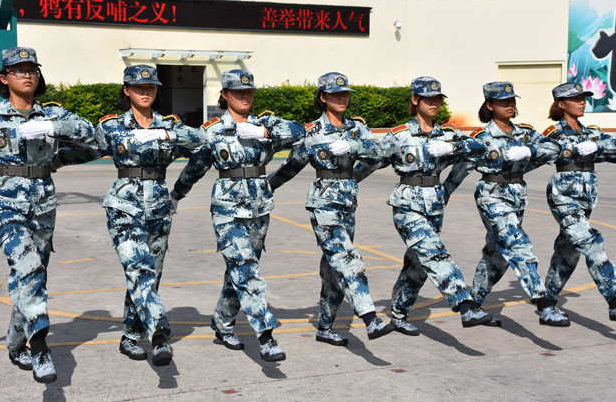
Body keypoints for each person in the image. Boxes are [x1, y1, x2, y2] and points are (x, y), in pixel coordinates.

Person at [0, 47, 95, 383]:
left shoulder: (53, 113)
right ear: (4, 78)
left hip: (43, 203)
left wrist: (52, 127)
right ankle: (40, 347)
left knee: (33, 276)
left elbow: (90, 133)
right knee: (27, 266)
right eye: (19, 70)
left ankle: (15, 343)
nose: (27, 75)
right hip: (5, 202)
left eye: (32, 69)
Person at [171, 69, 305, 362]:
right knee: (245, 267)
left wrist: (264, 133)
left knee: (241, 270)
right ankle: (266, 336)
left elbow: (299, 131)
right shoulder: (213, 130)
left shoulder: (265, 123)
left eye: (249, 92)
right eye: (237, 92)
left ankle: (222, 323)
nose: (244, 96)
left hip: (259, 208)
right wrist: (176, 195)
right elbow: (196, 166)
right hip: (227, 209)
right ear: (224, 95)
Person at [79, 65, 206, 366]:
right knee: (138, 268)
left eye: (151, 86)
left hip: (160, 207)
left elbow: (203, 145)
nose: (146, 91)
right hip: (124, 206)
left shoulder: (170, 126)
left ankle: (130, 335)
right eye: (139, 87)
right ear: (127, 90)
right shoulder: (112, 126)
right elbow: (83, 150)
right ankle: (158, 335)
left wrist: (179, 190)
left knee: (150, 274)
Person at [355, 76, 493, 334]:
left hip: (435, 205)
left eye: (437, 98)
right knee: (435, 253)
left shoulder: (447, 134)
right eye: (428, 98)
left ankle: (398, 313)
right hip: (407, 205)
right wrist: (348, 185)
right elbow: (370, 162)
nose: (434, 103)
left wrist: (452, 147)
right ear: (415, 100)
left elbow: (480, 147)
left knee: (418, 265)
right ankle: (465, 305)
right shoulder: (400, 135)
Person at [268, 72, 393, 346]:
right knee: (348, 259)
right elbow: (291, 167)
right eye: (335, 94)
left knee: (333, 269)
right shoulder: (312, 132)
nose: (342, 98)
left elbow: (381, 152)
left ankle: (325, 327)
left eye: (345, 93)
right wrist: (265, 188)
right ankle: (370, 317)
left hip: (348, 205)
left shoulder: (357, 129)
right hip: (323, 204)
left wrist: (354, 151)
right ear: (323, 97)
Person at [446, 81, 565, 326]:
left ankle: (473, 307)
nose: (510, 105)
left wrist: (530, 152)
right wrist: (442, 197)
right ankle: (543, 303)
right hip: (492, 195)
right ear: (490, 105)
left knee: (496, 256)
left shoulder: (525, 133)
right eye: (503, 102)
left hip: (517, 195)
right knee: (517, 243)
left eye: (512, 101)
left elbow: (554, 148)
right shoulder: (482, 138)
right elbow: (460, 170)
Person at [541, 82, 616, 323]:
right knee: (591, 243)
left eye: (583, 98)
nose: (582, 102)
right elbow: (536, 153)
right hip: (563, 197)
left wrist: (597, 145)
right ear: (561, 104)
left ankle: (546, 300)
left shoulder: (591, 133)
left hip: (586, 198)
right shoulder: (554, 133)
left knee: (568, 251)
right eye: (576, 99)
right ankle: (614, 303)